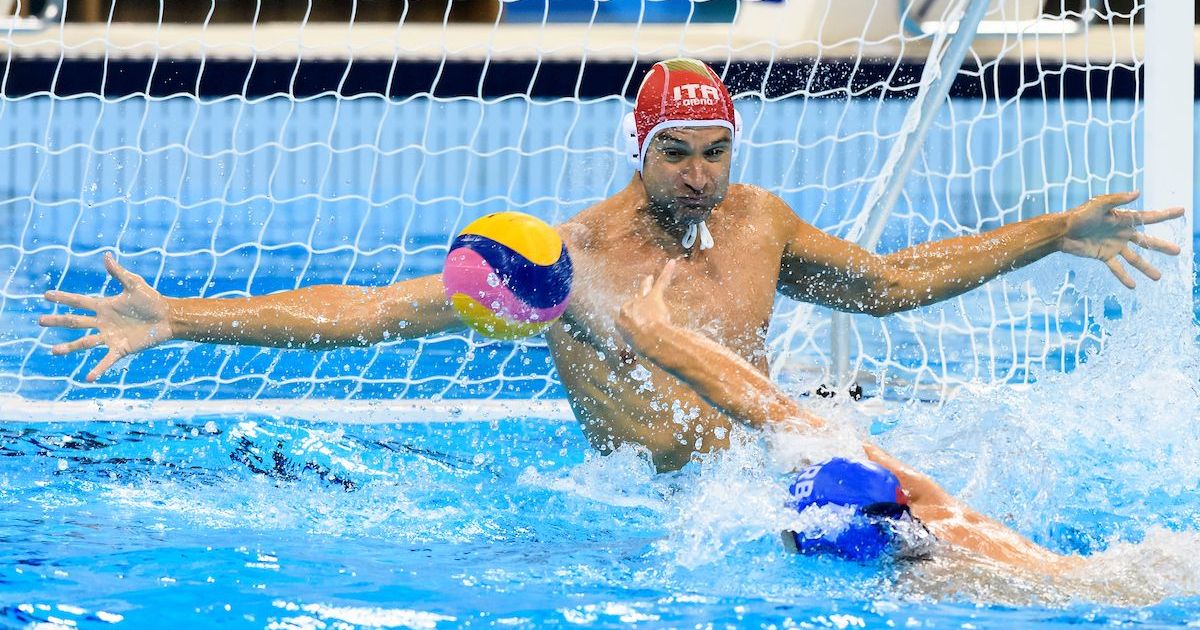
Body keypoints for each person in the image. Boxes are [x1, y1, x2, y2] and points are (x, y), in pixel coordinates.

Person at [39, 58, 1184, 472]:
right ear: (639, 152)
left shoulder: (760, 222)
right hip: (643, 515)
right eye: (676, 154)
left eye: (715, 152)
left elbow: (884, 286)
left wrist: (1049, 232)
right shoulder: (563, 264)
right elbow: (368, 312)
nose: (699, 176)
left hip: (759, 481)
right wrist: (179, 319)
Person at [614, 258, 1081, 573]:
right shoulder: (938, 516)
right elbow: (784, 416)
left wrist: (659, 339)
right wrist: (660, 339)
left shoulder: (933, 582)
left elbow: (779, 413)